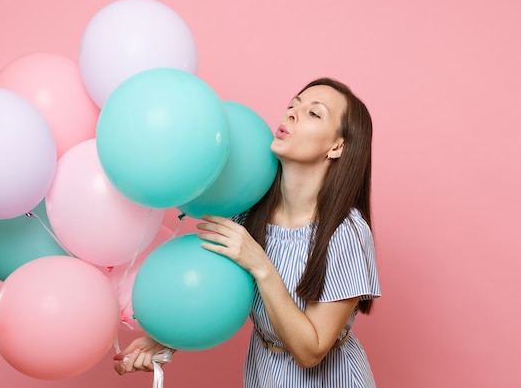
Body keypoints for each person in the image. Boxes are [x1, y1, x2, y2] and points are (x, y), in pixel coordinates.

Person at [114, 77, 381, 387]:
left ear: (337, 146)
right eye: (293, 105)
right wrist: (164, 340)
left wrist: (260, 264)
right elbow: (217, 288)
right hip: (264, 374)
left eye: (313, 113)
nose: (291, 114)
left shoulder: (345, 233)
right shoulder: (248, 209)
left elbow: (311, 352)